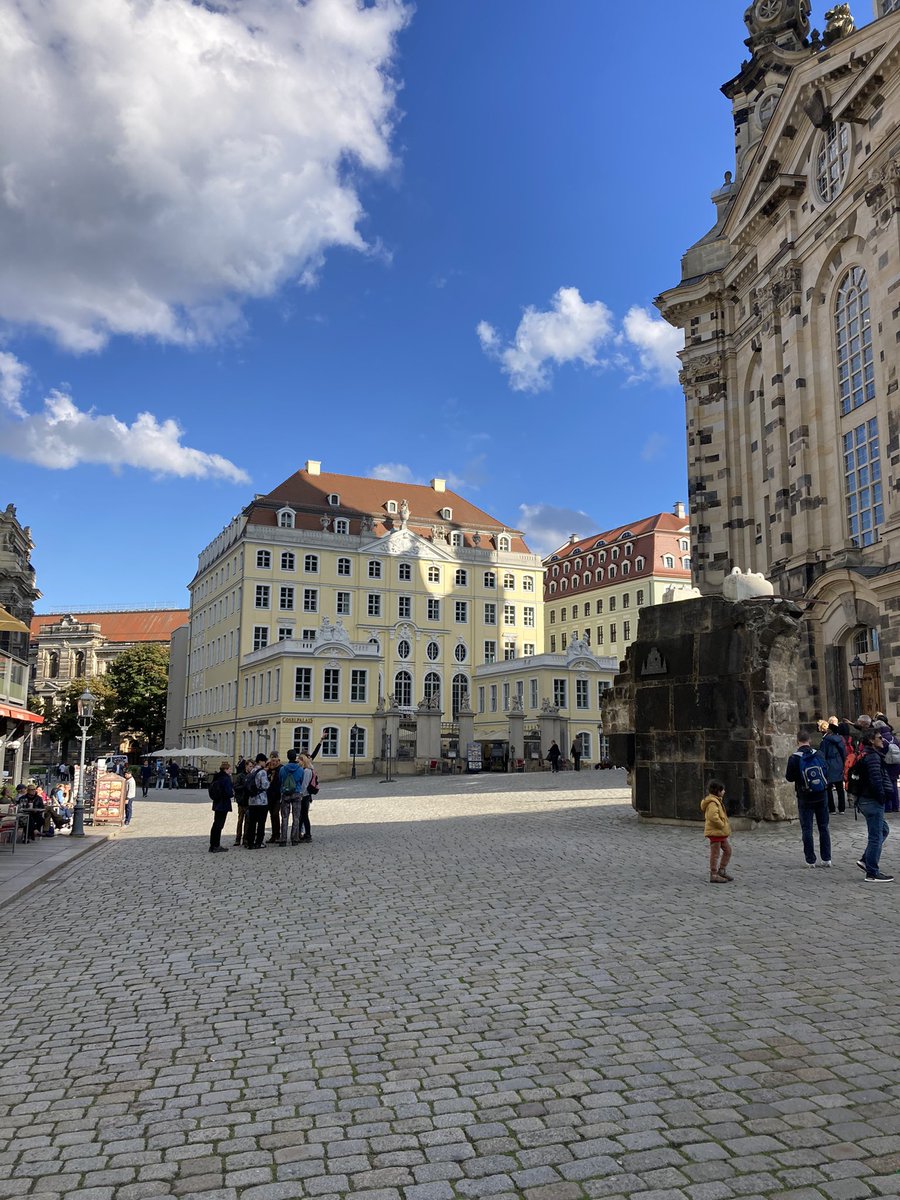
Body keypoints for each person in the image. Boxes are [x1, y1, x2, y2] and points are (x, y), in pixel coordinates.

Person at [786, 728, 831, 868]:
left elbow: (789, 777)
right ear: (809, 740)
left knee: (807, 829)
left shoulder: (794, 758)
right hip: (821, 795)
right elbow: (826, 771)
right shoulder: (819, 754)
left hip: (804, 796)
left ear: (797, 741)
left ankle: (810, 860)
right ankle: (826, 858)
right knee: (823, 827)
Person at [852, 730, 893, 882]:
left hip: (865, 799)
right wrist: (882, 797)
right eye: (879, 738)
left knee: (883, 830)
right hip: (871, 800)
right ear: (871, 740)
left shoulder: (866, 754)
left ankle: (865, 860)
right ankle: (872, 872)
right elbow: (876, 780)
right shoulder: (873, 757)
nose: (882, 740)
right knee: (875, 836)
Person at [701, 779, 733, 883]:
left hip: (720, 833)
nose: (724, 791)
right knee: (715, 854)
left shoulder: (717, 801)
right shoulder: (713, 803)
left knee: (728, 850)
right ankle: (714, 874)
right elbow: (713, 817)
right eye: (722, 790)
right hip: (716, 833)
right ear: (717, 791)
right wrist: (722, 825)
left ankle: (722, 870)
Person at [278, 750, 309, 846]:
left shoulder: (282, 769)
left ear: (287, 757)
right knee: (296, 817)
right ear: (295, 757)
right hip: (296, 793)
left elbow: (280, 780)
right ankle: (294, 838)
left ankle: (283, 839)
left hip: (285, 793)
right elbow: (301, 780)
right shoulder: (300, 769)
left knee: (284, 817)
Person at [820, 722, 848, 814]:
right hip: (838, 762)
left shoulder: (825, 740)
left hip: (828, 763)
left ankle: (832, 808)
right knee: (840, 787)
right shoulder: (840, 739)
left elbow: (822, 753)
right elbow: (843, 752)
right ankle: (842, 808)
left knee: (828, 788)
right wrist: (843, 762)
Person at [873, 717, 900, 813]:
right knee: (894, 784)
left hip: (886, 764)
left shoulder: (881, 739)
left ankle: (888, 806)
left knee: (886, 785)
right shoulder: (893, 737)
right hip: (896, 764)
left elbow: (880, 751)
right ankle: (896, 805)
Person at [244, 754, 270, 849]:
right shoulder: (262, 772)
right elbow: (265, 785)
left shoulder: (252, 770)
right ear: (261, 761)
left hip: (252, 800)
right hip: (261, 801)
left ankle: (250, 842)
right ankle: (259, 842)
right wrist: (269, 781)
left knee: (252, 823)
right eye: (264, 761)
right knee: (261, 823)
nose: (265, 763)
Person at [208, 761, 234, 853]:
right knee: (219, 825)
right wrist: (232, 793)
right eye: (230, 769)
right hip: (223, 803)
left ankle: (212, 845)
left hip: (217, 803)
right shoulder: (226, 778)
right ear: (226, 769)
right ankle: (216, 845)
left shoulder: (217, 777)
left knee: (215, 824)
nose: (231, 770)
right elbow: (228, 792)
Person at [297, 753, 317, 843]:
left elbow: (304, 785)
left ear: (303, 761)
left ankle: (308, 834)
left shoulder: (307, 771)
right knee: (302, 816)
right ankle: (299, 833)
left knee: (304, 816)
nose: (298, 763)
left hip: (304, 796)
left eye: (299, 761)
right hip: (304, 795)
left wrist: (300, 794)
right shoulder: (305, 770)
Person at [266, 753, 282, 844]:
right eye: (272, 761)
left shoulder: (280, 769)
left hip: (278, 796)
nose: (274, 763)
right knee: (272, 815)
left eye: (275, 761)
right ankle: (274, 835)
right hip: (270, 796)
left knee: (275, 814)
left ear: (278, 761)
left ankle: (278, 834)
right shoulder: (268, 770)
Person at [233, 759, 250, 847]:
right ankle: (238, 838)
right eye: (250, 766)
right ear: (246, 766)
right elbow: (235, 787)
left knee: (248, 821)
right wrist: (244, 786)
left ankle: (245, 838)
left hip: (249, 801)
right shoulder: (240, 776)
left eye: (252, 766)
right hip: (241, 801)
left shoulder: (252, 775)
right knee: (240, 820)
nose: (251, 768)